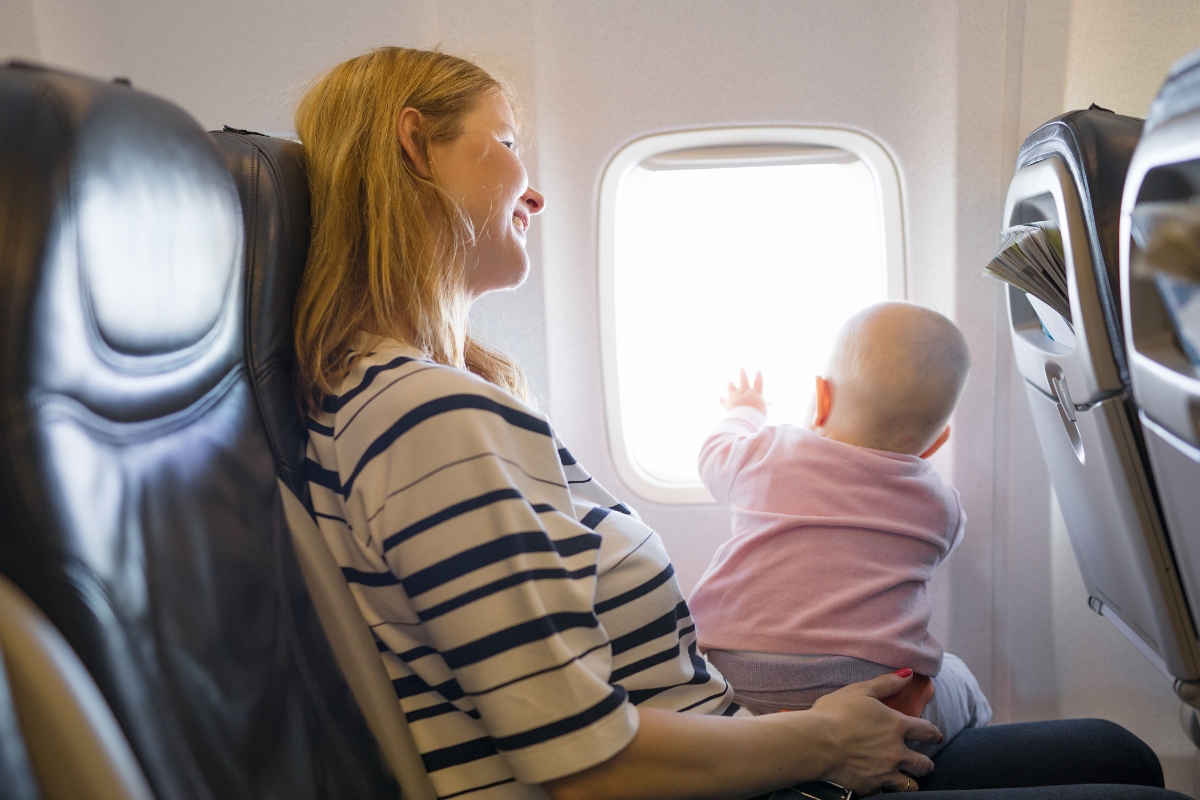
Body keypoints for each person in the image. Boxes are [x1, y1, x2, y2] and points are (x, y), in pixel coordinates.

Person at [293, 46, 1183, 800]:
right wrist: (825, 741)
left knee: (1119, 754)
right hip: (731, 781)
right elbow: (581, 765)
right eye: (508, 144)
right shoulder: (426, 416)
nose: (534, 192)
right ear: (416, 146)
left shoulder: (426, 400)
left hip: (737, 746)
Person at [689, 304, 990, 756]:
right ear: (937, 442)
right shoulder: (941, 506)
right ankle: (973, 754)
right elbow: (942, 546)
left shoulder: (768, 452)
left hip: (734, 688)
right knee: (960, 679)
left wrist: (745, 409)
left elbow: (713, 453)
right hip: (878, 701)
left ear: (821, 398)